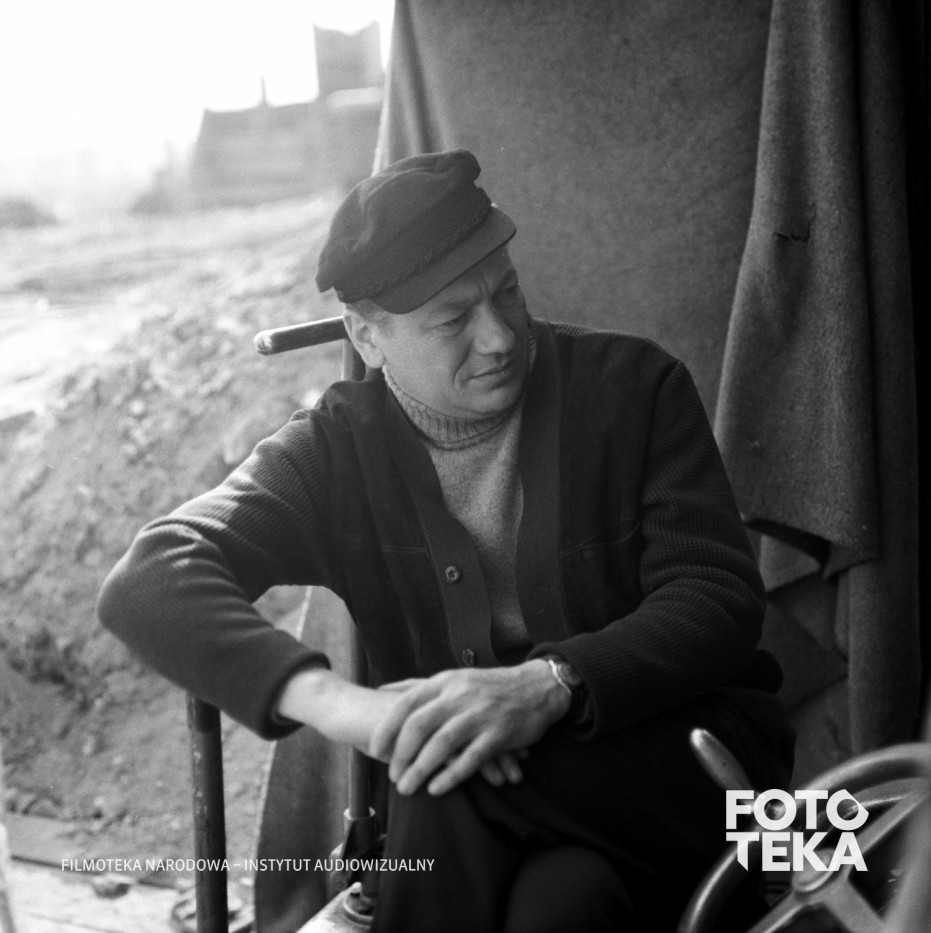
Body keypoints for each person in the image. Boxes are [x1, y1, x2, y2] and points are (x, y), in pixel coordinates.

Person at [98, 149, 793, 932]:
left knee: (442, 781)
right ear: (367, 337)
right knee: (558, 906)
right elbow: (150, 577)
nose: (497, 337)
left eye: (507, 293)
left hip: (701, 772)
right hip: (508, 810)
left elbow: (716, 597)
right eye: (453, 319)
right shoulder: (335, 452)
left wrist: (547, 684)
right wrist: (351, 711)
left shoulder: (634, 388)